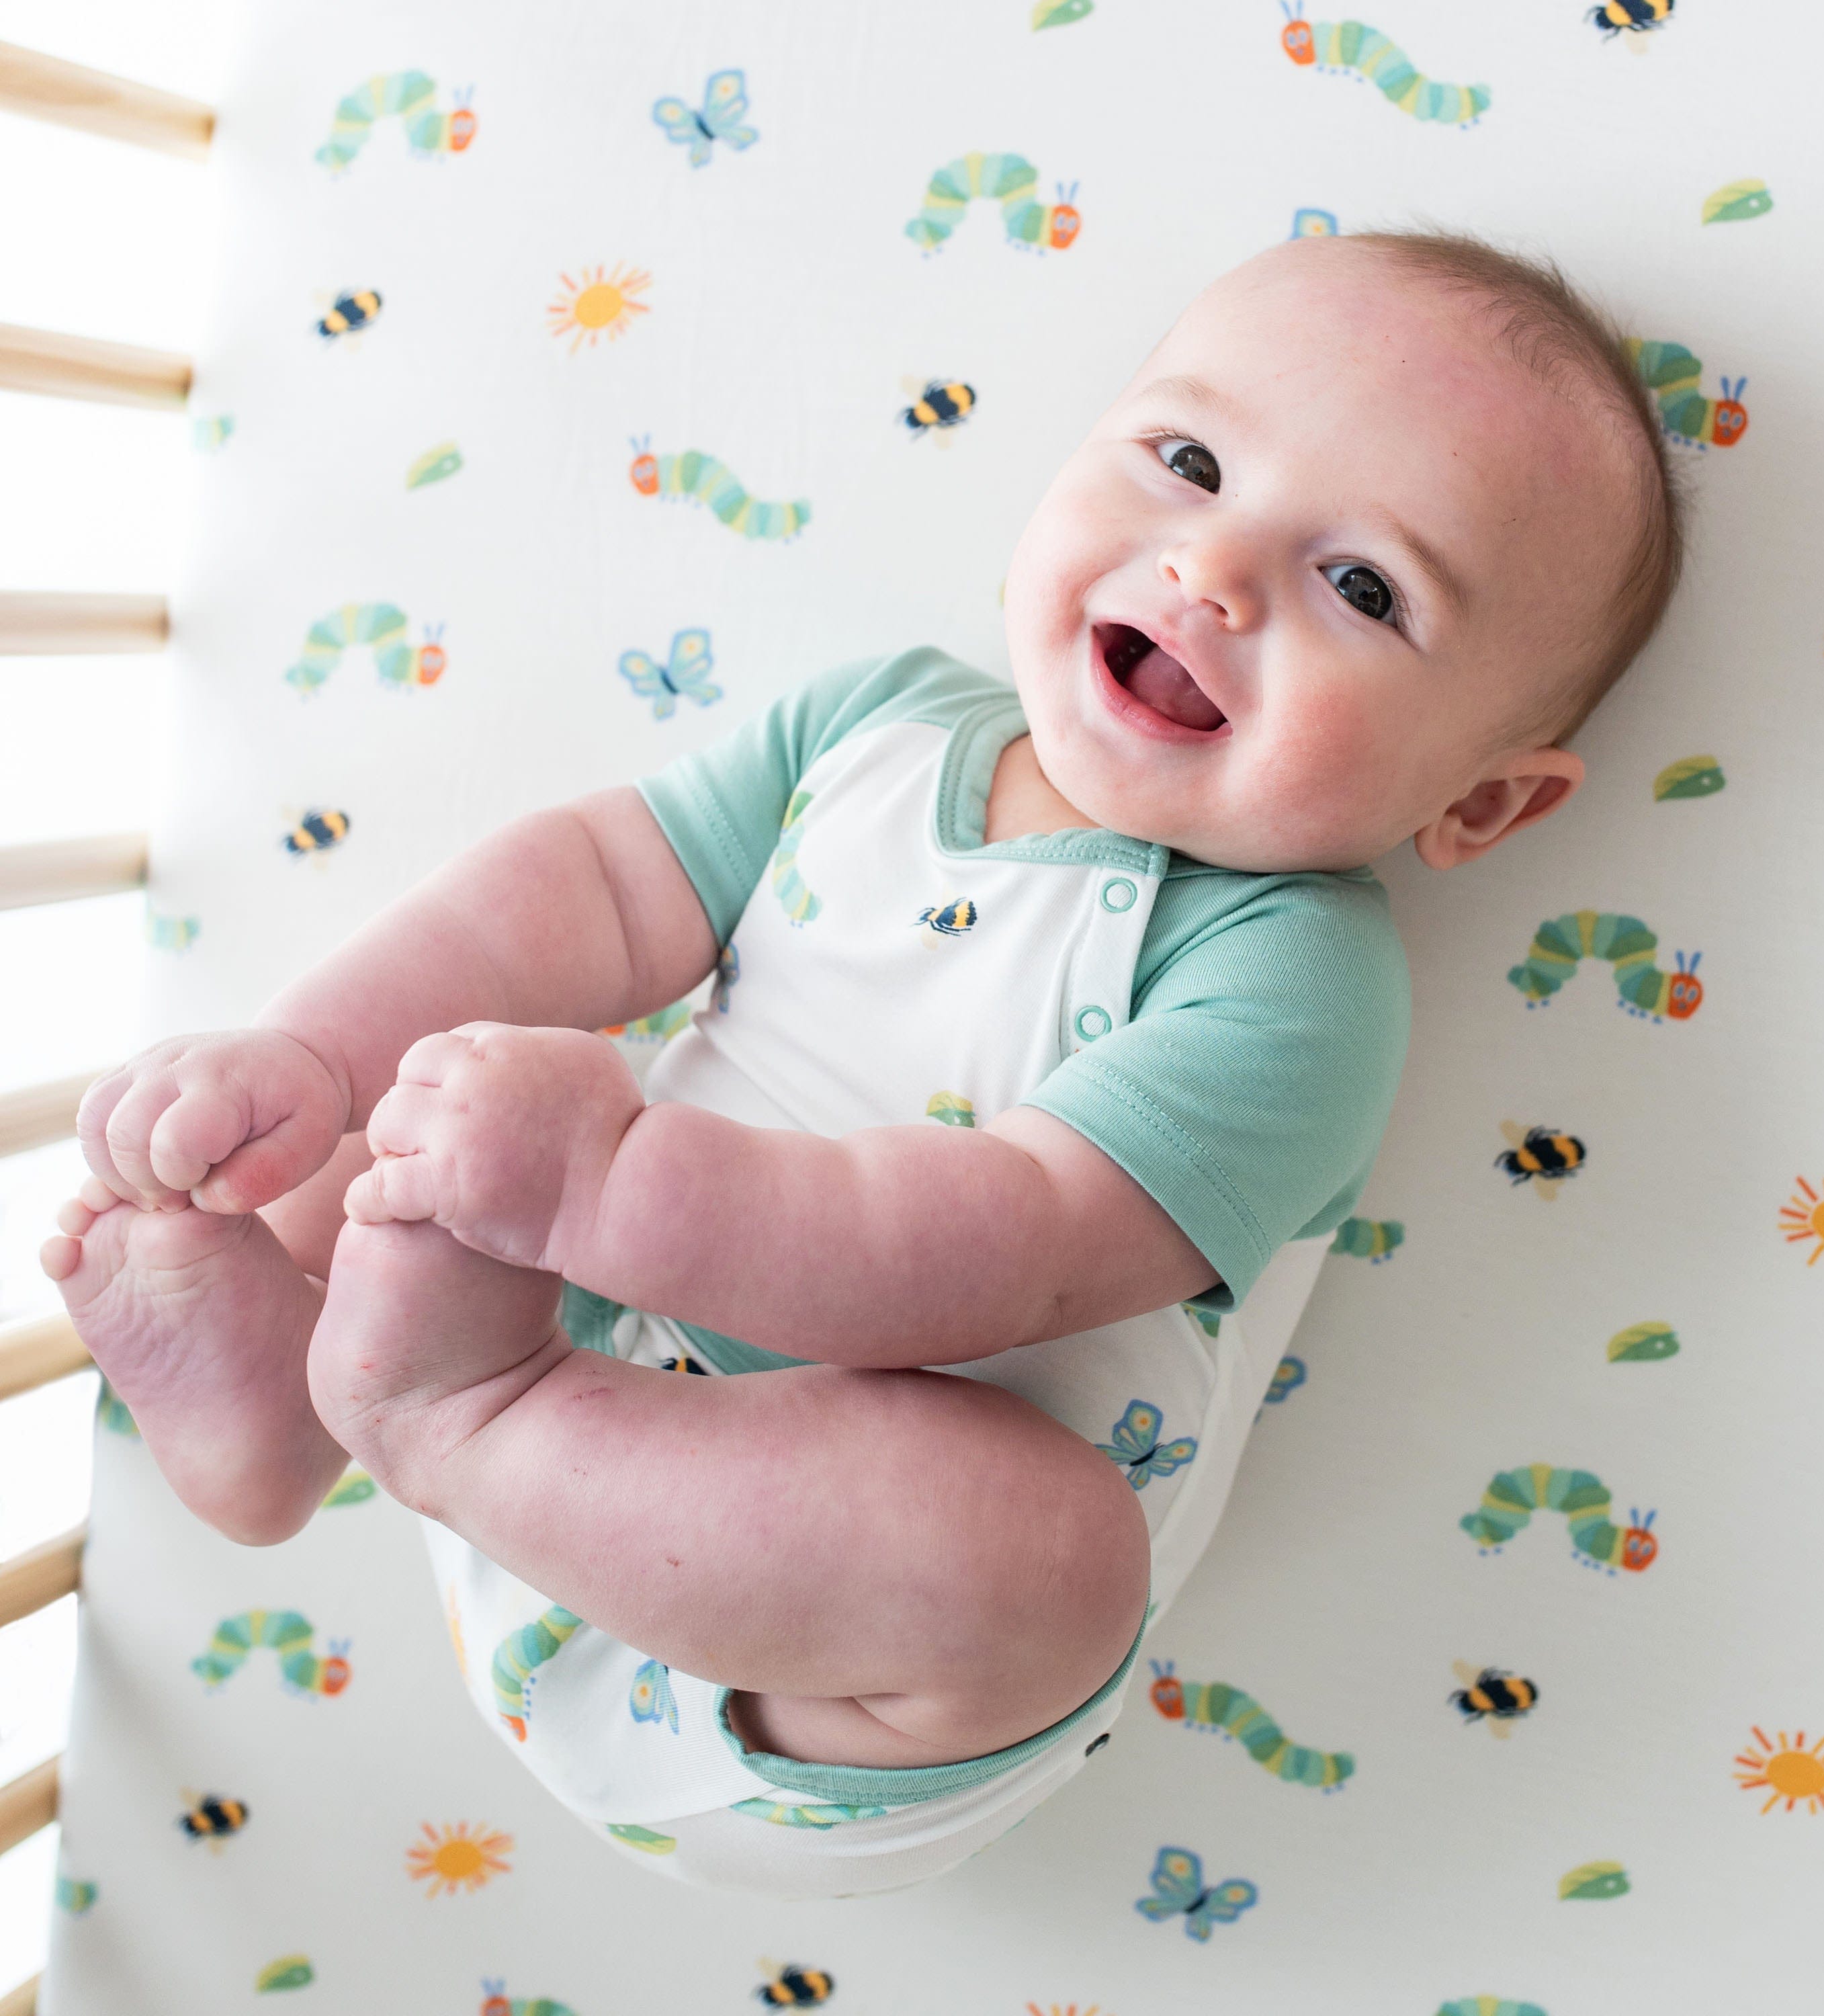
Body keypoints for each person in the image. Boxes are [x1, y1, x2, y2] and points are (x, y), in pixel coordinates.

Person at [40, 226, 1686, 1898]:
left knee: (1041, 1560)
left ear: (1478, 802)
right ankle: (284, 1404)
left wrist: (606, 1184)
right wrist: (308, 1058)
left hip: (832, 1700)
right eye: (1189, 463)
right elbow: (592, 890)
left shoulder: (1298, 979)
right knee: (437, 1076)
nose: (1214, 574)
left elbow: (1007, 1243)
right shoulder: (876, 728)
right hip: (571, 1404)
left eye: (1362, 587)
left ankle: (444, 1415)